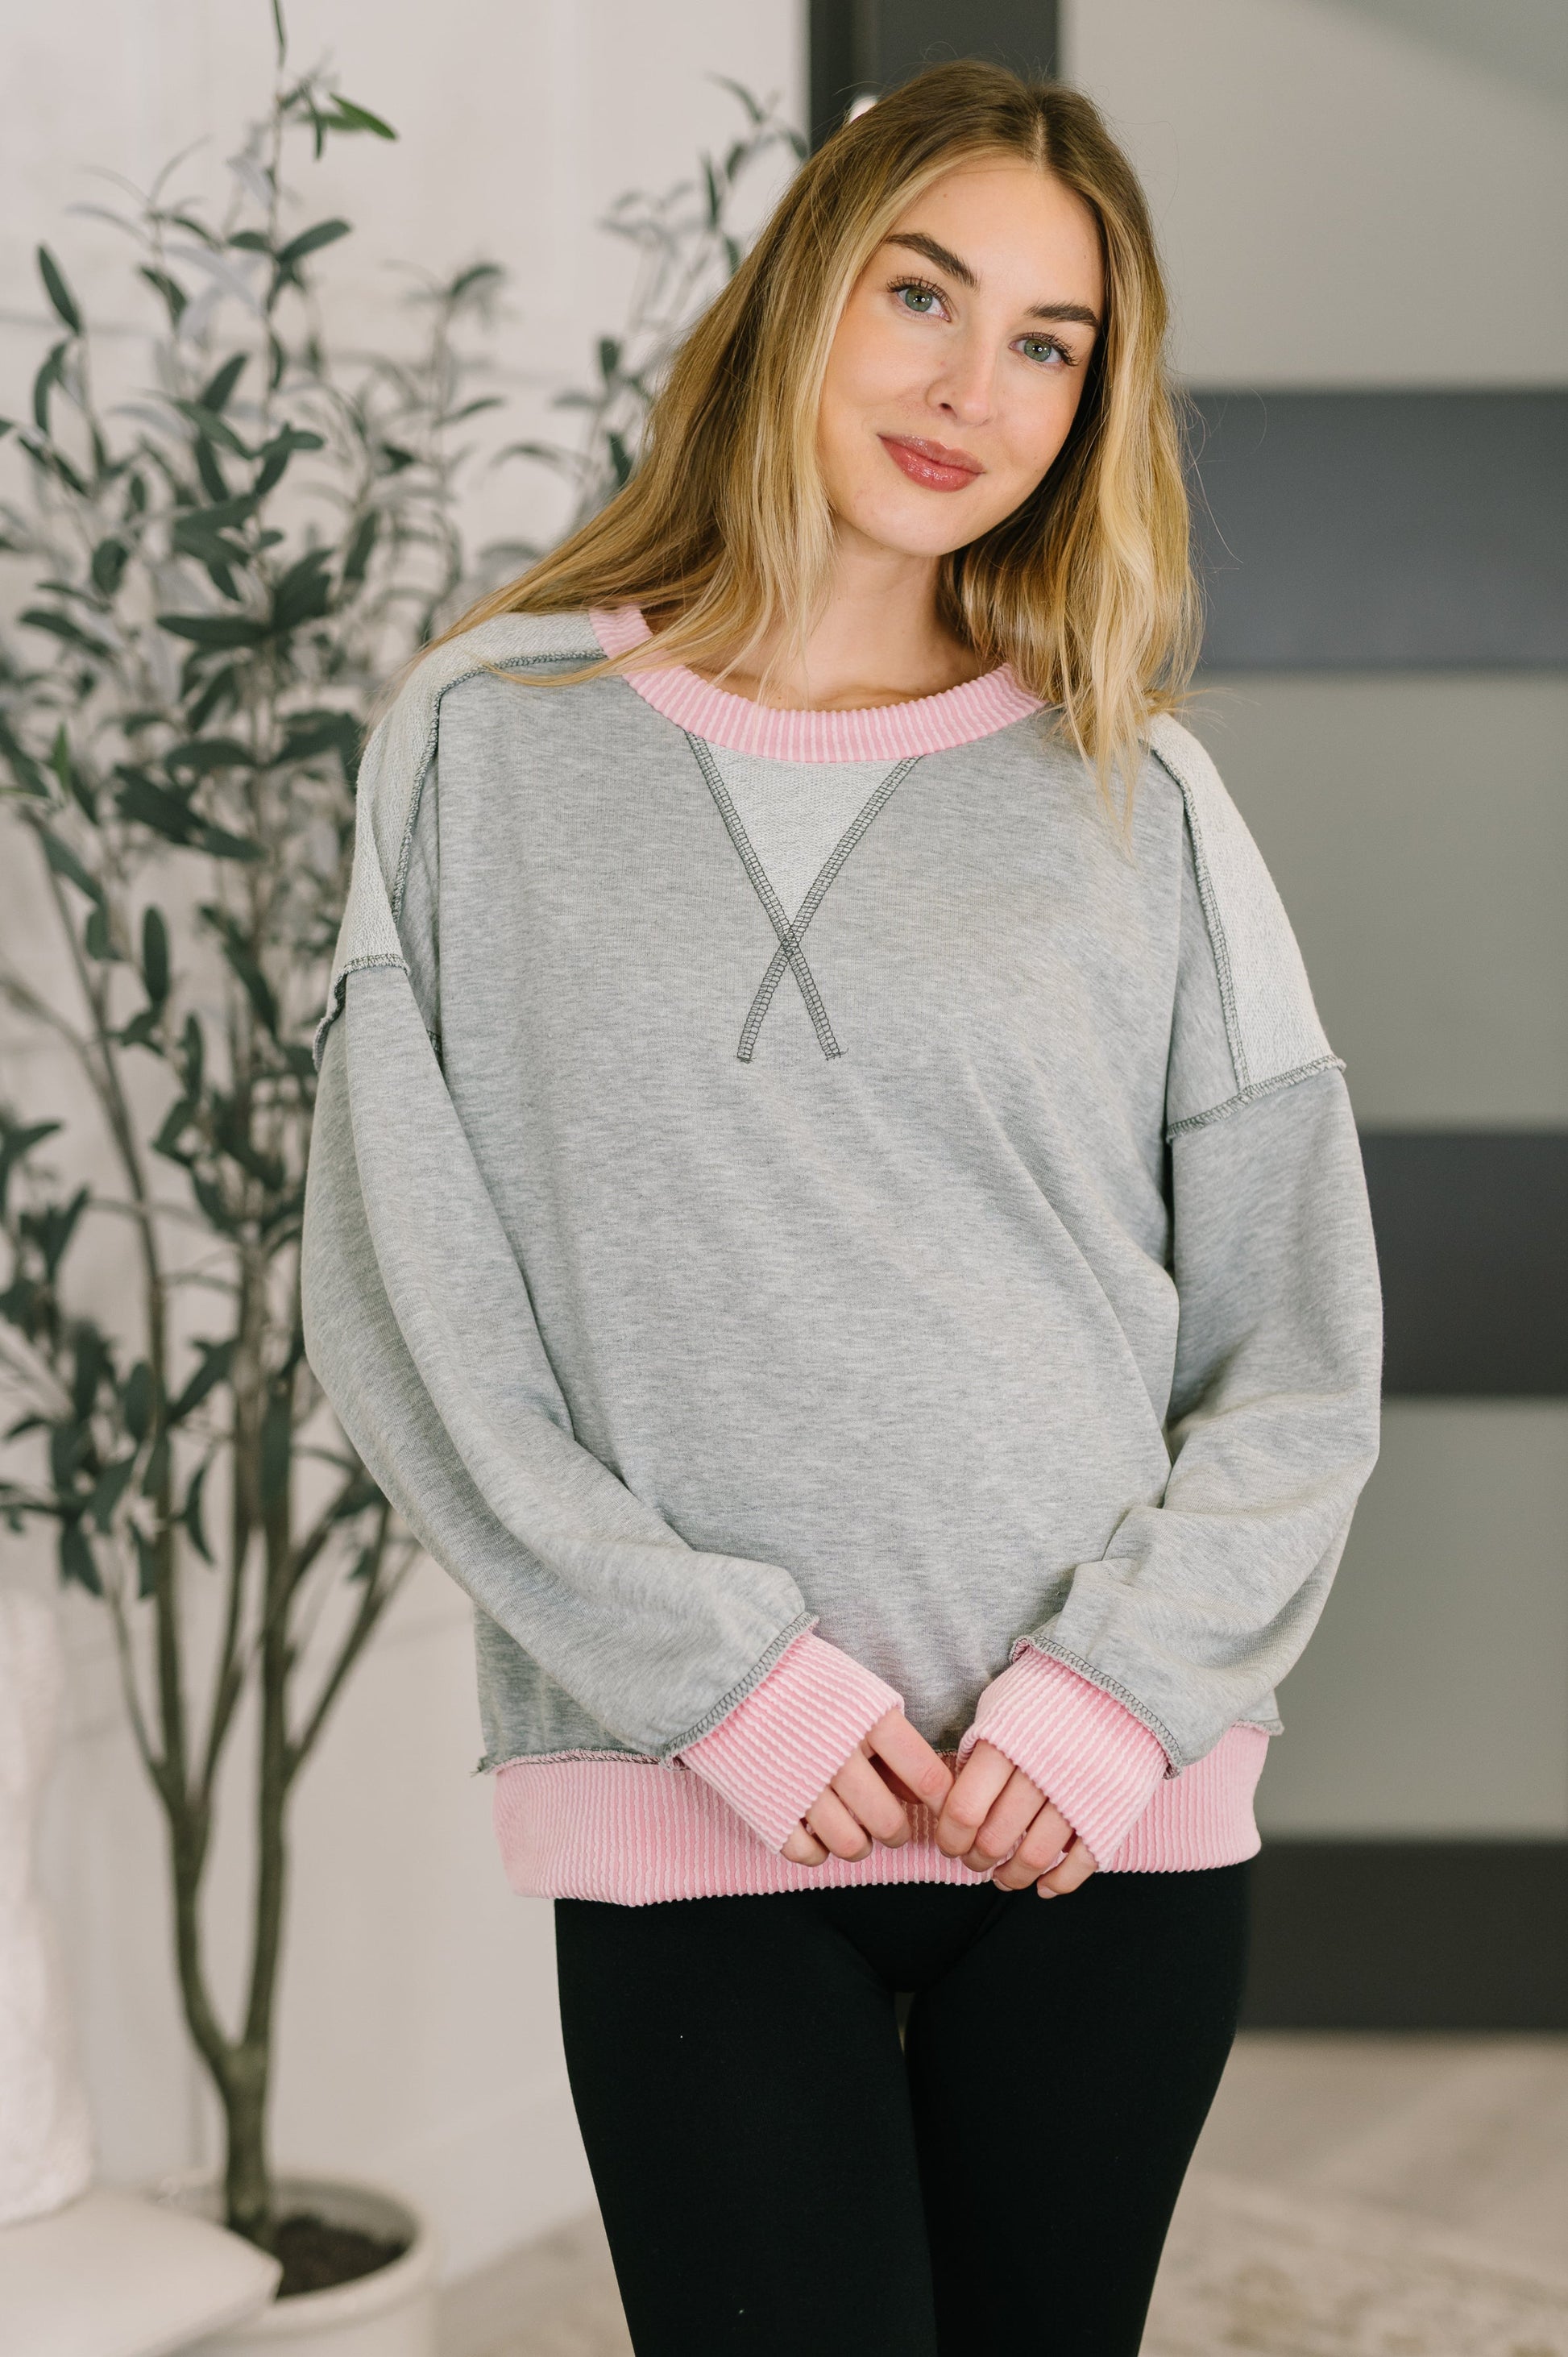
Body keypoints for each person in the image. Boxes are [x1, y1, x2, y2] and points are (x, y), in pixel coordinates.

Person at [301, 59, 1383, 2357]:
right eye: (922, 292)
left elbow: (1293, 1350)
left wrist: (1113, 1702)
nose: (966, 385)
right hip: (699, 1806)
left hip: (1092, 1821)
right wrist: (726, 1685)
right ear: (803, 290)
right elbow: (410, 1317)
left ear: (1091, 406)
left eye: (1045, 343)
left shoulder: (1137, 796)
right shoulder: (481, 751)